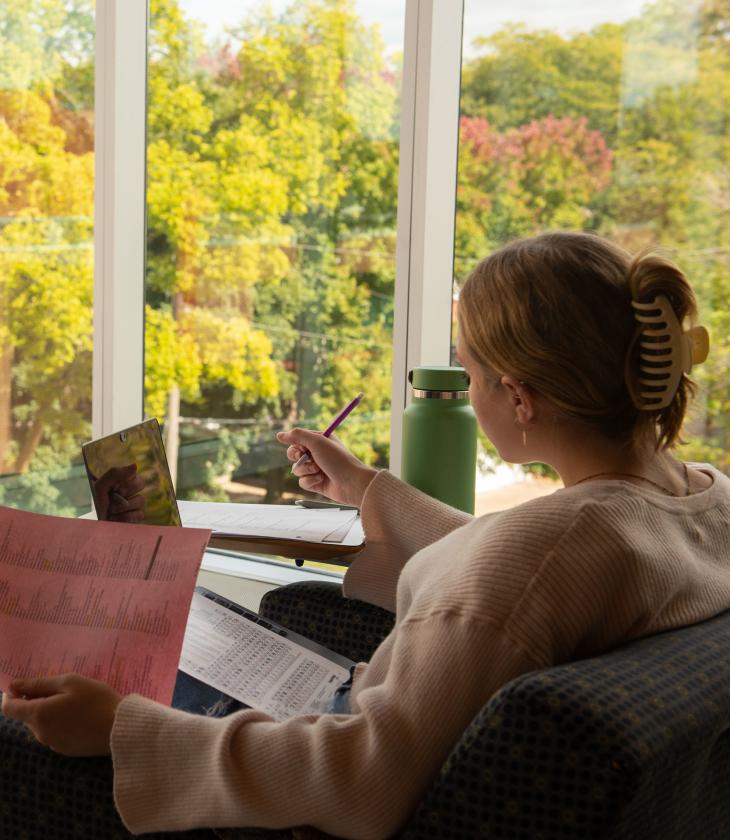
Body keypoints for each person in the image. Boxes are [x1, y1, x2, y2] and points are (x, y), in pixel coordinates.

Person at [3, 231, 730, 839]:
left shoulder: (548, 549)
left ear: (518, 396)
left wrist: (120, 728)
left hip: (318, 766)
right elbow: (508, 573)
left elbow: (365, 779)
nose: (471, 395)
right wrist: (363, 487)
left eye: (472, 373)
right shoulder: (698, 505)